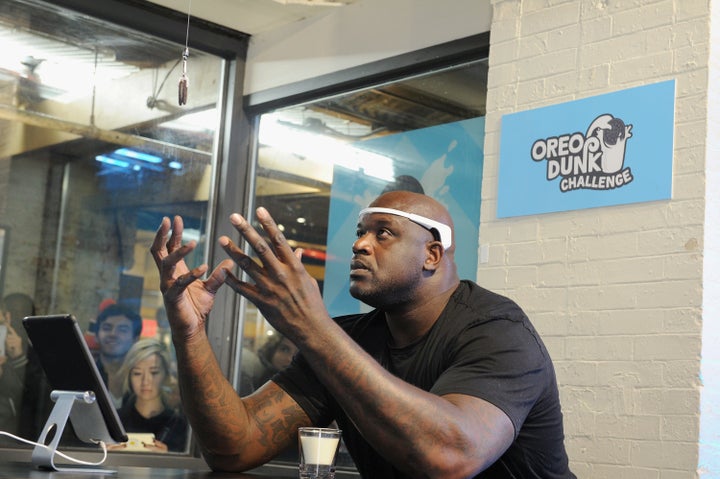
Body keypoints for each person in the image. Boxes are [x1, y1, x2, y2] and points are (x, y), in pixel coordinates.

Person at [150, 190, 575, 478]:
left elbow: (452, 456)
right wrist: (191, 335)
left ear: (432, 254)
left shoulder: (497, 330)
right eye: (360, 233)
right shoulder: (345, 338)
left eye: (383, 233)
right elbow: (233, 446)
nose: (360, 245)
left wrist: (312, 327)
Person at [114, 338, 188, 453]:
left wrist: (169, 458)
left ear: (166, 375)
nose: (145, 381)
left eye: (154, 373)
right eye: (137, 373)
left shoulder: (179, 426)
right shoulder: (114, 421)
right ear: (129, 377)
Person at [93, 303, 143, 407]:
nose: (113, 334)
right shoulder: (86, 375)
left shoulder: (143, 379)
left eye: (122, 330)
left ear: (135, 339)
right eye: (107, 328)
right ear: (96, 336)